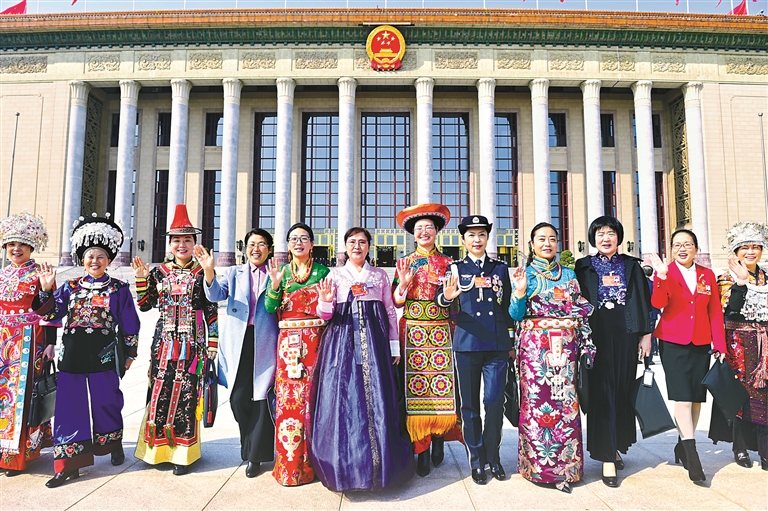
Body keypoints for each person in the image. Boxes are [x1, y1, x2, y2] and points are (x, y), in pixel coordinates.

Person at [36, 214, 140, 488]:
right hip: (72, 354)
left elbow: (130, 323)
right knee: (69, 407)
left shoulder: (118, 288)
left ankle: (112, 444)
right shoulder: (70, 287)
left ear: (109, 260)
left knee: (108, 402)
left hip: (103, 354)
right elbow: (51, 314)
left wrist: (129, 353)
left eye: (100, 257)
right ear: (82, 260)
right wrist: (46, 290)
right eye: (90, 256)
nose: (95, 261)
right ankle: (68, 465)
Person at [310, 227, 415, 491]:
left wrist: (394, 346)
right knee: (345, 398)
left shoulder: (379, 275)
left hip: (375, 344)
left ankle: (380, 467)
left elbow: (390, 311)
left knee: (377, 397)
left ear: (369, 246)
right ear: (345, 246)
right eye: (352, 242)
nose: (357, 246)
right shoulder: (334, 275)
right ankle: (344, 466)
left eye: (362, 242)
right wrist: (325, 301)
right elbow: (325, 315)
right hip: (342, 344)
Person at [508, 222, 596, 494]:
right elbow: (515, 314)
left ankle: (567, 469)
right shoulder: (525, 273)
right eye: (541, 239)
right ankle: (535, 467)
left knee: (565, 404)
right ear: (532, 244)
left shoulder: (568, 274)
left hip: (566, 349)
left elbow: (580, 309)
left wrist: (587, 345)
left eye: (552, 239)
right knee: (535, 405)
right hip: (535, 350)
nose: (547, 243)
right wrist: (519, 293)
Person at [132, 204, 218, 476]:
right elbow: (145, 305)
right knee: (160, 391)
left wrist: (213, 342)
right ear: (169, 244)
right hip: (163, 343)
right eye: (177, 240)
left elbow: (211, 309)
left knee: (187, 395)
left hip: (193, 344)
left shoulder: (202, 271)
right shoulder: (159, 272)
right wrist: (141, 279)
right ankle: (156, 450)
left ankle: (183, 454)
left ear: (195, 244)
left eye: (187, 240)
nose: (182, 245)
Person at [574, 216, 653, 487]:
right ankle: (606, 455)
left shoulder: (631, 266)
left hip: (625, 337)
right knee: (601, 393)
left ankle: (616, 445)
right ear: (593, 238)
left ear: (619, 237)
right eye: (600, 234)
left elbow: (642, 302)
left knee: (621, 391)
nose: (605, 238)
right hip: (595, 337)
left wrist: (646, 335)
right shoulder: (583, 266)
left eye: (610, 233)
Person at [436, 215, 515, 485]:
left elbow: (507, 306)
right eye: (471, 235)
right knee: (469, 406)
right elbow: (440, 298)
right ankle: (477, 460)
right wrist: (447, 297)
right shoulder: (456, 268)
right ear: (464, 240)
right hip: (467, 343)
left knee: (494, 402)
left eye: (482, 234)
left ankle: (494, 456)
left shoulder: (499, 268)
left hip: (496, 344)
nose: (477, 239)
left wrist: (511, 341)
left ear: (487, 237)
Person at [197, 228, 279, 478]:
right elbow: (214, 295)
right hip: (239, 341)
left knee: (261, 397)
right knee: (238, 398)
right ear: (245, 248)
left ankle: (255, 456)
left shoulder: (277, 273)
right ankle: (249, 445)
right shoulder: (234, 273)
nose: (256, 248)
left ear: (269, 249)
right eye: (252, 244)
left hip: (266, 341)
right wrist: (209, 271)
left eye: (262, 244)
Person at [649, 229, 725, 483]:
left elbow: (715, 312)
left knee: (695, 399)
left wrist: (720, 345)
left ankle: (682, 445)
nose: (682, 249)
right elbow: (658, 303)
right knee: (682, 398)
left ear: (696, 248)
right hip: (673, 342)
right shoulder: (666, 272)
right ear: (671, 249)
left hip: (701, 343)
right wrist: (660, 278)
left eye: (687, 244)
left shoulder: (707, 274)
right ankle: (692, 455)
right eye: (677, 245)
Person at [393, 204, 463, 477]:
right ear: (413, 234)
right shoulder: (404, 262)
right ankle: (421, 448)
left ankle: (439, 439)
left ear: (437, 231)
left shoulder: (449, 263)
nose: (424, 232)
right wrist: (403, 285)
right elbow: (396, 301)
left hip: (441, 330)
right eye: (419, 228)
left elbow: (455, 303)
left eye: (429, 227)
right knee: (417, 389)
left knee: (442, 389)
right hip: (413, 331)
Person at [264, 222, 330, 486]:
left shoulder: (323, 272)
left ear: (312, 243)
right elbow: (270, 307)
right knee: (287, 401)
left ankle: (316, 463)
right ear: (287, 245)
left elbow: (329, 311)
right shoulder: (280, 272)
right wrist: (274, 287)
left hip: (315, 343)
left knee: (313, 400)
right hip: (287, 347)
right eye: (293, 239)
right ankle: (289, 467)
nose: (298, 242)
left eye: (304, 238)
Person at [0, 212, 56, 476]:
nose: (16, 249)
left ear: (32, 247)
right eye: (11, 244)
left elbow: (51, 312)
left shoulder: (39, 274)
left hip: (28, 341)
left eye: (22, 244)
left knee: (22, 395)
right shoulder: (3, 274)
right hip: (2, 340)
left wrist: (46, 290)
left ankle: (16, 455)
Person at [714, 222, 768, 471]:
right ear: (736, 252)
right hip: (738, 344)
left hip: (763, 345)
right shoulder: (727, 278)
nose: (750, 252)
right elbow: (730, 310)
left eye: (755, 247)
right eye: (745, 247)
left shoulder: (766, 276)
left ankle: (765, 449)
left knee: (765, 394)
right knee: (740, 394)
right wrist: (742, 283)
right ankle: (740, 447)